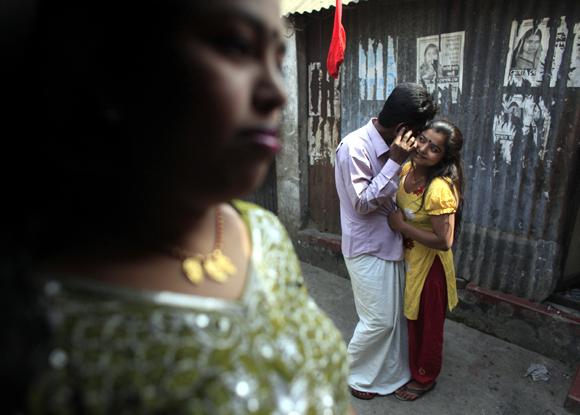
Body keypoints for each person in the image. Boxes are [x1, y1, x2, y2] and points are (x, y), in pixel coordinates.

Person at [1, 0, 353, 413]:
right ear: (115, 65)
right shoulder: (47, 334)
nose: (277, 92)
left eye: (277, 59)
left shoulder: (263, 233)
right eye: (236, 46)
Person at [334, 83, 437, 400]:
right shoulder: (354, 148)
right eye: (417, 133)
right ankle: (353, 375)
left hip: (391, 243)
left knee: (391, 319)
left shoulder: (396, 147)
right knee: (377, 321)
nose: (419, 142)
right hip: (366, 247)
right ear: (404, 128)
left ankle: (384, 374)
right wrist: (394, 162)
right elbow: (362, 204)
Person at [387, 119, 464, 401]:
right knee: (411, 319)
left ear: (444, 158)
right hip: (410, 258)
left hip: (430, 267)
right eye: (422, 139)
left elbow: (445, 242)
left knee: (427, 325)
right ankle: (414, 367)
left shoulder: (439, 189)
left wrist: (402, 227)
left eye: (434, 148)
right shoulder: (408, 168)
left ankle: (425, 377)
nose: (422, 148)